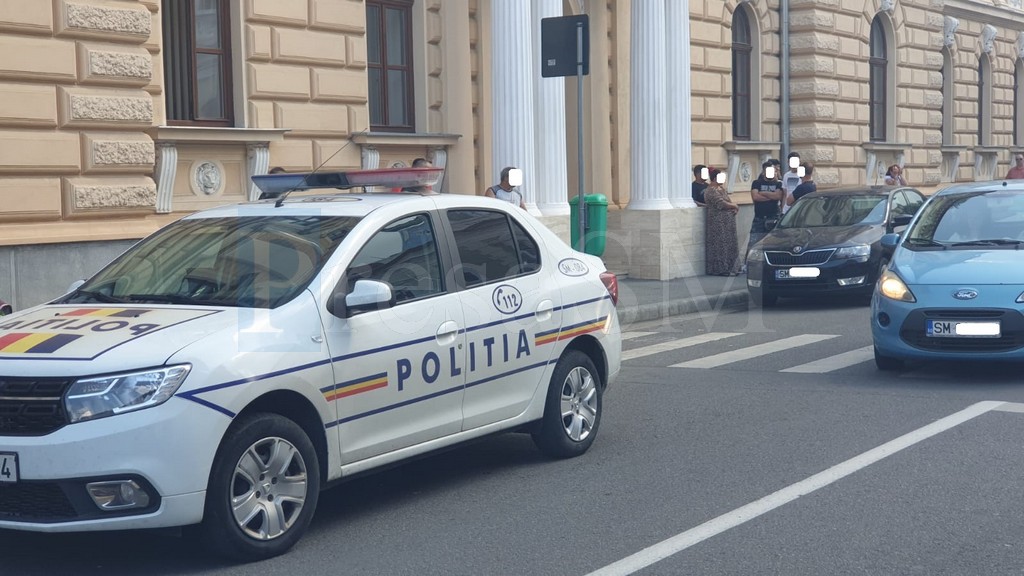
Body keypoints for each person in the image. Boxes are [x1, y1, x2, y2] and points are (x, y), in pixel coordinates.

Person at [703, 167, 740, 276]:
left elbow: (728, 200)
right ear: (715, 178)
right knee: (720, 245)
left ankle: (731, 267)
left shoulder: (721, 189)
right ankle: (720, 269)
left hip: (728, 222)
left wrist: (733, 208)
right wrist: (734, 206)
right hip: (718, 222)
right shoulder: (710, 190)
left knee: (729, 244)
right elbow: (721, 203)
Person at [745, 160, 784, 261]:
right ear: (763, 171)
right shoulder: (756, 183)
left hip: (773, 217)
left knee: (773, 243)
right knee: (753, 243)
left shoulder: (778, 184)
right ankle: (748, 263)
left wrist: (762, 193)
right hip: (759, 218)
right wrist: (771, 197)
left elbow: (778, 196)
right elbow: (755, 197)